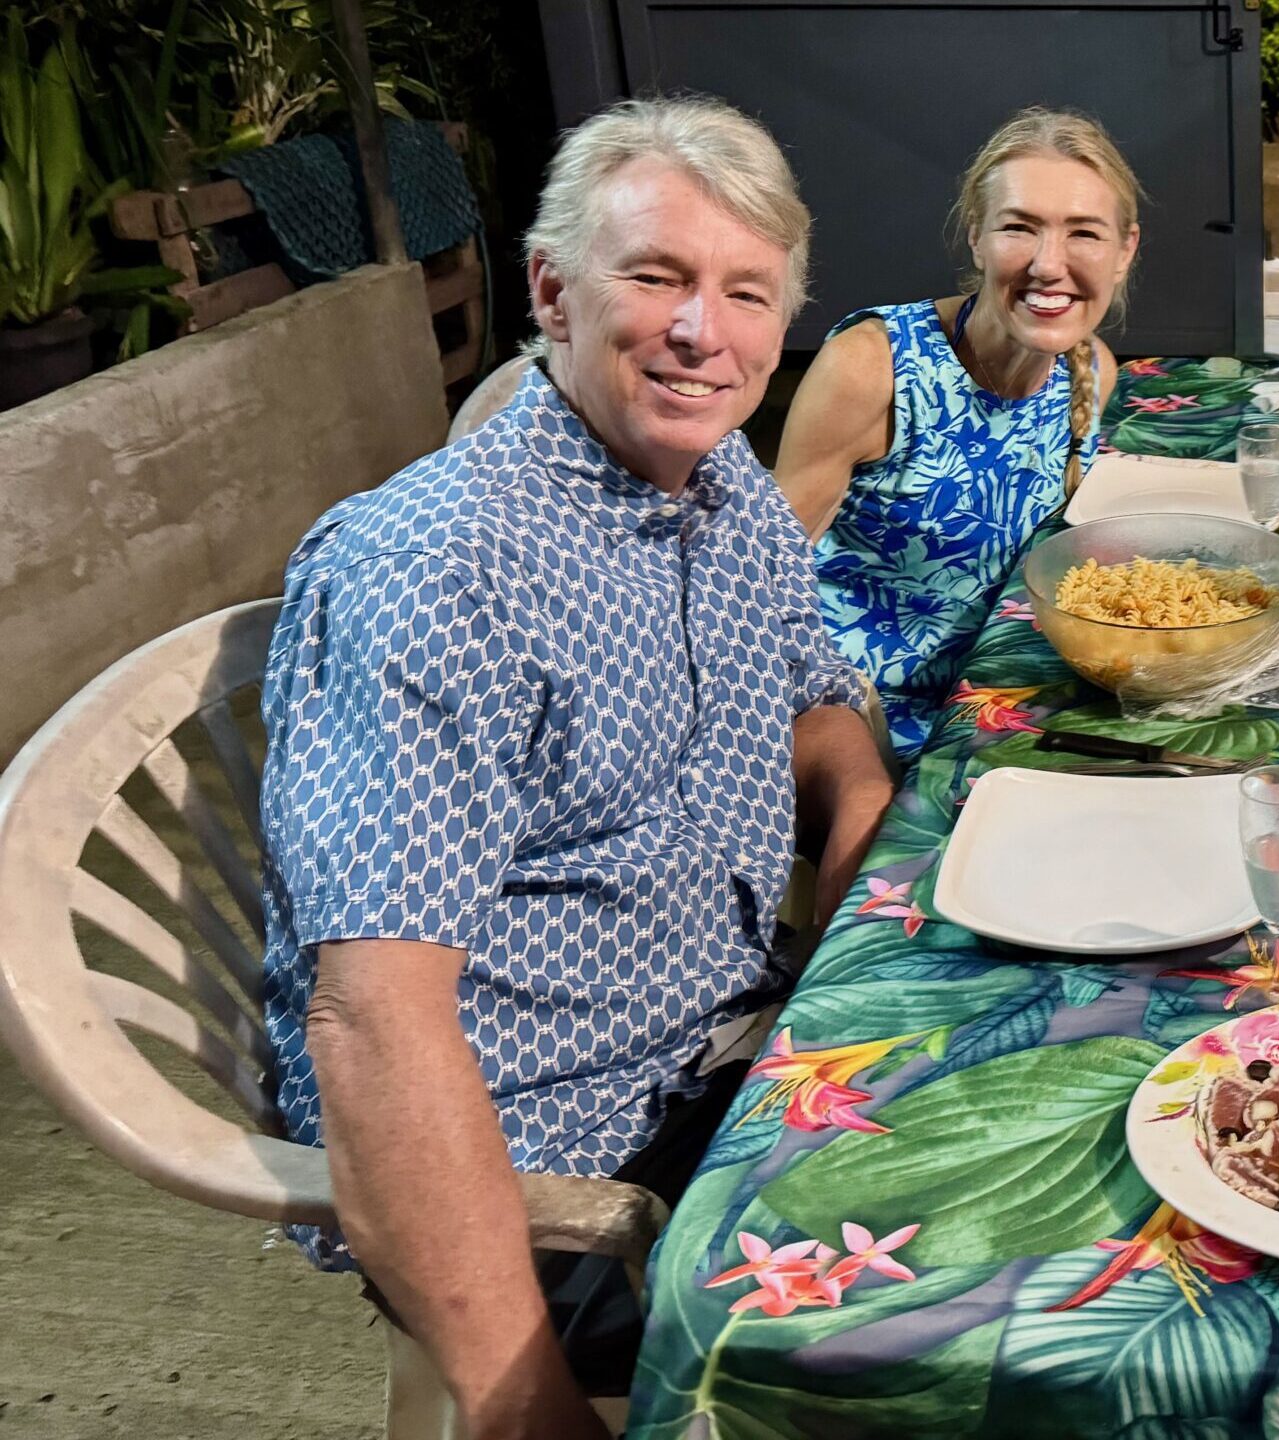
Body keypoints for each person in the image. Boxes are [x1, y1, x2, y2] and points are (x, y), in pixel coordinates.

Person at [258, 97, 896, 1437]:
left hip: (732, 1048)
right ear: (550, 288)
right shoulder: (440, 570)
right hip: (555, 1168)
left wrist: (855, 815)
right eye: (656, 277)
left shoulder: (722, 494)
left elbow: (816, 694)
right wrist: (519, 1408)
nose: (698, 331)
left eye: (744, 292)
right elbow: (373, 1030)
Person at [775, 107, 1141, 756]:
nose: (1049, 264)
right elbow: (751, 582)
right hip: (852, 716)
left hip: (994, 697)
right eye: (1019, 228)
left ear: (1124, 251)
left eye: (1083, 233)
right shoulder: (874, 366)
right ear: (976, 238)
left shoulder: (1092, 372)